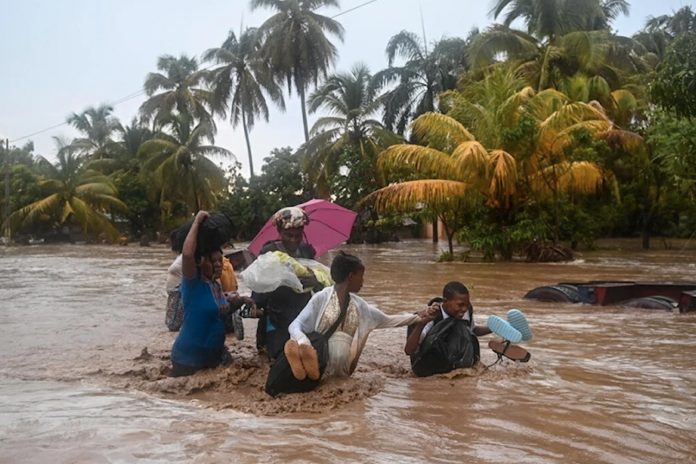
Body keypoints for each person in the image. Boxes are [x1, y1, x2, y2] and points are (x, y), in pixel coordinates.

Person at [285, 252, 425, 381]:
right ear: (351, 277)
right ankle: (302, 358)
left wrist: (419, 317)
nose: (362, 282)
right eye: (361, 276)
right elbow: (295, 325)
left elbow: (388, 320)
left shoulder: (360, 306)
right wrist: (304, 343)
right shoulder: (321, 298)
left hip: (343, 374)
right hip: (320, 370)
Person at [170, 211, 252, 377]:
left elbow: (221, 310)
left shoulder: (215, 286)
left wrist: (242, 300)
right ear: (200, 263)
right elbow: (187, 254)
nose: (217, 265)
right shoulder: (193, 283)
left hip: (213, 358)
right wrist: (197, 221)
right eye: (212, 261)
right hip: (187, 360)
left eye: (219, 261)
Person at [251, 206, 329, 360]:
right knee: (278, 357)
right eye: (288, 235)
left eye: (297, 235)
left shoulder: (307, 251)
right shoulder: (270, 252)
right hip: (276, 314)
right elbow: (259, 288)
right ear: (279, 233)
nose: (293, 240)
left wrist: (314, 280)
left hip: (302, 312)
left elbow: (321, 282)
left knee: (311, 354)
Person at [404, 281, 490, 377]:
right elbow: (409, 350)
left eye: (467, 305)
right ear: (445, 301)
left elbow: (472, 331)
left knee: (460, 326)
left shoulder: (465, 312)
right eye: (460, 305)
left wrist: (493, 328)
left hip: (452, 360)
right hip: (428, 364)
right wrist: (421, 324)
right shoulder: (431, 315)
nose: (464, 309)